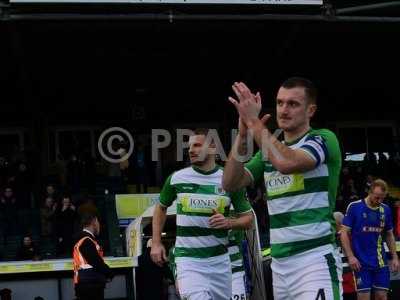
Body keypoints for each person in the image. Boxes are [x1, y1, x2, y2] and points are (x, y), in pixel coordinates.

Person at [223, 78, 343, 300]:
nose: (284, 110)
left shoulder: (323, 139)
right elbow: (230, 183)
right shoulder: (266, 153)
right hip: (279, 267)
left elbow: (287, 163)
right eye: (279, 103)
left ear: (311, 110)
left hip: (314, 261)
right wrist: (242, 136)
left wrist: (254, 122)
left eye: (293, 104)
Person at [151, 128, 253, 300]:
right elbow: (160, 208)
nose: (191, 150)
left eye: (197, 145)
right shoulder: (177, 178)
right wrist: (156, 242)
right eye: (190, 147)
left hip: (220, 261)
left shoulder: (229, 179)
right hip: (189, 261)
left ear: (213, 148)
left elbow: (248, 219)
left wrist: (229, 223)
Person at [340, 179, 399, 300]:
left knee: (382, 296)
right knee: (363, 298)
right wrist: (351, 256)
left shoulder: (385, 210)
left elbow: (389, 234)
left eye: (382, 198)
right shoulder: (355, 207)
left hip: (380, 261)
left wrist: (394, 257)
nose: (379, 201)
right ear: (370, 192)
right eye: (377, 197)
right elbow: (344, 233)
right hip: (361, 264)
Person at [73, 213, 113, 300]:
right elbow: (95, 261)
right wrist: (109, 273)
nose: (99, 225)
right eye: (98, 222)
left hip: (86, 283)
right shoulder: (86, 240)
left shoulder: (84, 239)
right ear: (94, 222)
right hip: (90, 285)